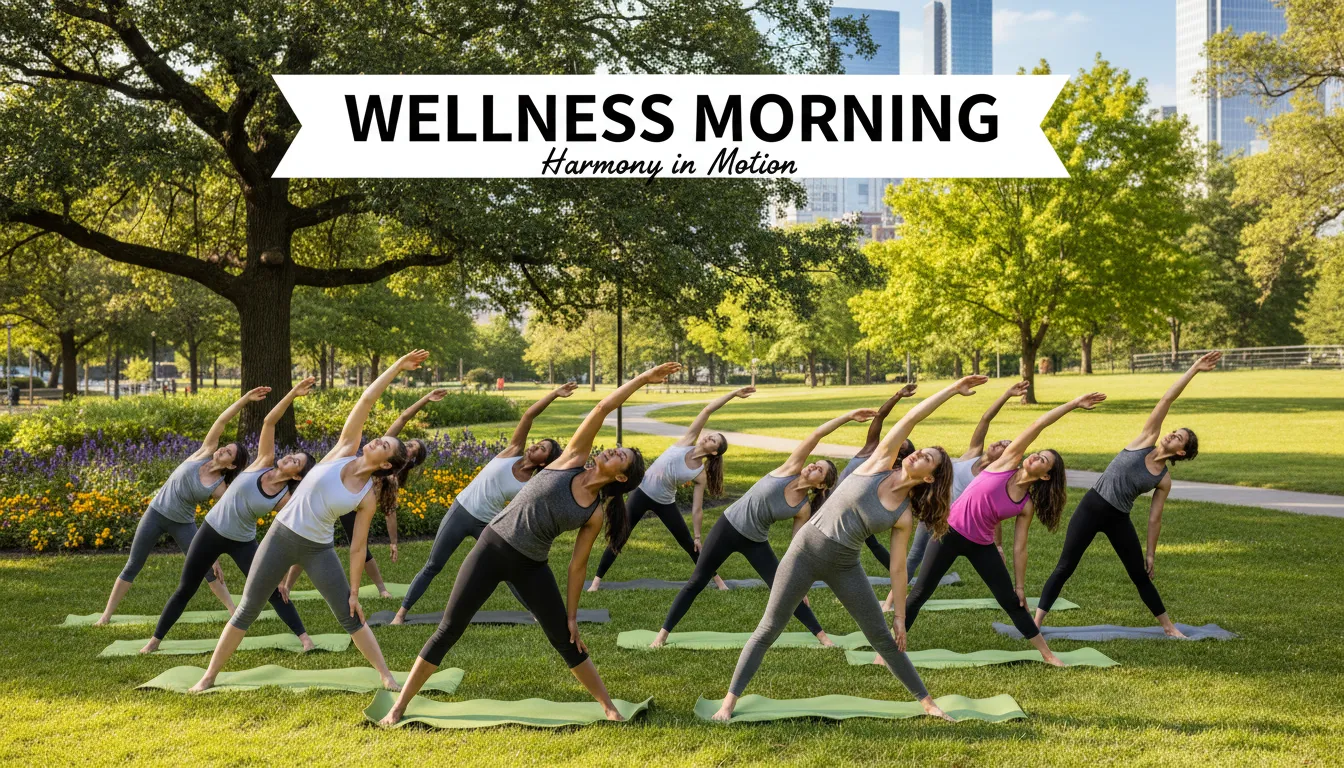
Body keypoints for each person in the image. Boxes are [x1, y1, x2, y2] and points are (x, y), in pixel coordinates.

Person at [376, 362, 682, 726]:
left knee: (566, 641)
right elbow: (601, 409)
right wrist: (644, 379)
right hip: (491, 547)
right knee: (449, 628)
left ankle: (608, 706)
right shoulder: (571, 460)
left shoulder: (594, 514)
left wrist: (571, 616)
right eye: (617, 449)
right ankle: (399, 707)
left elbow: (577, 567)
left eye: (621, 457)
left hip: (531, 565)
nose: (613, 451)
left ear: (619, 476)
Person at [708, 376, 991, 723]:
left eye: (926, 458)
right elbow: (910, 419)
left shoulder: (902, 515)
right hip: (803, 553)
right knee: (768, 629)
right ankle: (728, 703)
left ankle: (928, 703)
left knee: (884, 639)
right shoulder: (878, 464)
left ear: (930, 477)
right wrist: (952, 389)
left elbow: (899, 570)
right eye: (921, 450)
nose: (916, 453)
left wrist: (900, 618)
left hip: (845, 566)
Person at [187, 352, 430, 693]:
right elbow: (367, 398)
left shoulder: (367, 497)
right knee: (247, 609)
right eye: (380, 438)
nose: (377, 440)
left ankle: (387, 676)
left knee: (349, 616)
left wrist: (356, 591)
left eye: (384, 445)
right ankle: (209, 676)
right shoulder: (345, 449)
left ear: (387, 465)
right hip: (280, 537)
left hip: (319, 549)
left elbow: (358, 547)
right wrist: (396, 368)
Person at [902, 390, 1108, 668]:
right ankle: (888, 652)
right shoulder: (1006, 462)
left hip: (981, 545)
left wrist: (1020, 586)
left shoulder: (1025, 505)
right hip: (948, 533)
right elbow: (1038, 425)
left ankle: (1047, 655)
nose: (1035, 457)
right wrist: (1072, 403)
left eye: (1042, 461)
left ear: (1045, 476)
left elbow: (1019, 547)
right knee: (919, 594)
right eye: (1037, 453)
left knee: (1011, 601)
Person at [649, 408, 882, 649]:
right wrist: (847, 417)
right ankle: (662, 635)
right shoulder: (790, 468)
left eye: (819, 470)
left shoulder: (803, 508)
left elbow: (796, 548)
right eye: (814, 463)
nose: (812, 466)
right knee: (696, 581)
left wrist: (798, 582)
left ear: (821, 484)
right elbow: (816, 435)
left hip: (755, 540)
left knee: (785, 588)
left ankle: (822, 637)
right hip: (728, 526)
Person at [1036, 351, 1222, 637]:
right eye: (1174, 431)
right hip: (1091, 506)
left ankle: (1169, 628)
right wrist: (1194, 368)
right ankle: (1035, 624)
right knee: (1065, 566)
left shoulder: (1163, 480)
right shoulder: (1146, 439)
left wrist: (1150, 554)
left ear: (1181, 452)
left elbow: (1154, 519)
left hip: (1118, 518)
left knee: (1139, 575)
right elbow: (1167, 400)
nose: (1172, 434)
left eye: (1179, 438)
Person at [140, 379, 319, 653]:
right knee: (186, 588)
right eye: (293, 454)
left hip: (242, 541)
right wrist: (292, 393)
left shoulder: (284, 499)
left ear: (296, 475)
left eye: (296, 461)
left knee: (271, 589)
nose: (289, 457)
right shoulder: (263, 461)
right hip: (211, 532)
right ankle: (155, 641)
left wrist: (284, 577)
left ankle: (305, 638)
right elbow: (270, 422)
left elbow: (290, 536)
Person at [389, 382, 578, 624]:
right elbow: (529, 415)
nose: (535, 446)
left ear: (545, 461)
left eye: (542, 448)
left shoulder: (532, 483)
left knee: (510, 571)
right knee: (433, 565)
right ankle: (401, 614)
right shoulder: (513, 450)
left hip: (489, 524)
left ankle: (536, 613)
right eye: (537, 442)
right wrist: (553, 394)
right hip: (461, 511)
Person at [94, 388, 261, 625]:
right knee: (133, 563)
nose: (223, 449)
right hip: (156, 513)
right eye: (225, 446)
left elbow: (224, 517)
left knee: (207, 570)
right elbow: (222, 420)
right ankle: (106, 615)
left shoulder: (219, 487)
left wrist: (212, 553)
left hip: (183, 523)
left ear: (232, 466)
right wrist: (245, 400)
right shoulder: (204, 452)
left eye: (228, 453)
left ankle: (233, 612)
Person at [874, 380, 1031, 610]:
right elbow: (986, 419)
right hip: (931, 510)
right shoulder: (973, 454)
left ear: (1005, 459)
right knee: (913, 558)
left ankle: (1014, 602)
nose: (999, 443)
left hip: (951, 523)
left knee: (924, 564)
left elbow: (992, 513)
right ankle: (890, 604)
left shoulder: (990, 478)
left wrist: (998, 546)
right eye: (1001, 441)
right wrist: (1007, 395)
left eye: (1004, 447)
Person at [281, 388, 449, 600]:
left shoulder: (391, 477)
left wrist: (393, 541)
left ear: (410, 461)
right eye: (408, 445)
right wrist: (425, 399)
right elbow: (403, 417)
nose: (406, 449)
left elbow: (389, 511)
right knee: (308, 535)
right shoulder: (384, 448)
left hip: (353, 505)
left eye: (411, 452)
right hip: (338, 494)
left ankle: (380, 588)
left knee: (360, 548)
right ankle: (286, 585)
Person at [587, 386, 755, 591]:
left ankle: (718, 581)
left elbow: (697, 508)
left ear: (713, 452)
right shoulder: (687, 441)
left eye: (713, 441)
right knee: (620, 536)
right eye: (710, 435)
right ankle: (596, 581)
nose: (708, 438)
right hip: (642, 493)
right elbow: (707, 411)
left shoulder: (699, 474)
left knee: (688, 544)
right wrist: (732, 394)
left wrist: (698, 536)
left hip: (665, 502)